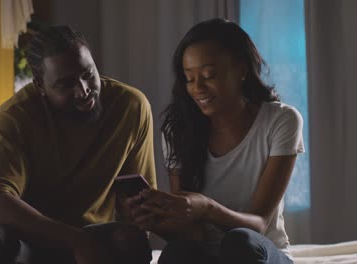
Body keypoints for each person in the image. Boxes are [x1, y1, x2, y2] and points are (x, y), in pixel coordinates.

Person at [0, 26, 156, 264]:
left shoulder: (130, 107)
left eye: (88, 74)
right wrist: (75, 241)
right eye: (65, 84)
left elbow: (137, 202)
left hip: (92, 233)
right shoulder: (13, 119)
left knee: (130, 239)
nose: (83, 91)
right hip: (27, 236)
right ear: (40, 86)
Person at [128, 18, 304, 264]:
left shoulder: (280, 121)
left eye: (208, 75)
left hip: (259, 252)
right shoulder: (178, 131)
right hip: (207, 255)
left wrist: (207, 207)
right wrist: (157, 221)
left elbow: (260, 224)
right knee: (177, 253)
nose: (198, 88)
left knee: (240, 242)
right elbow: (191, 233)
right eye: (189, 78)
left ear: (241, 70)